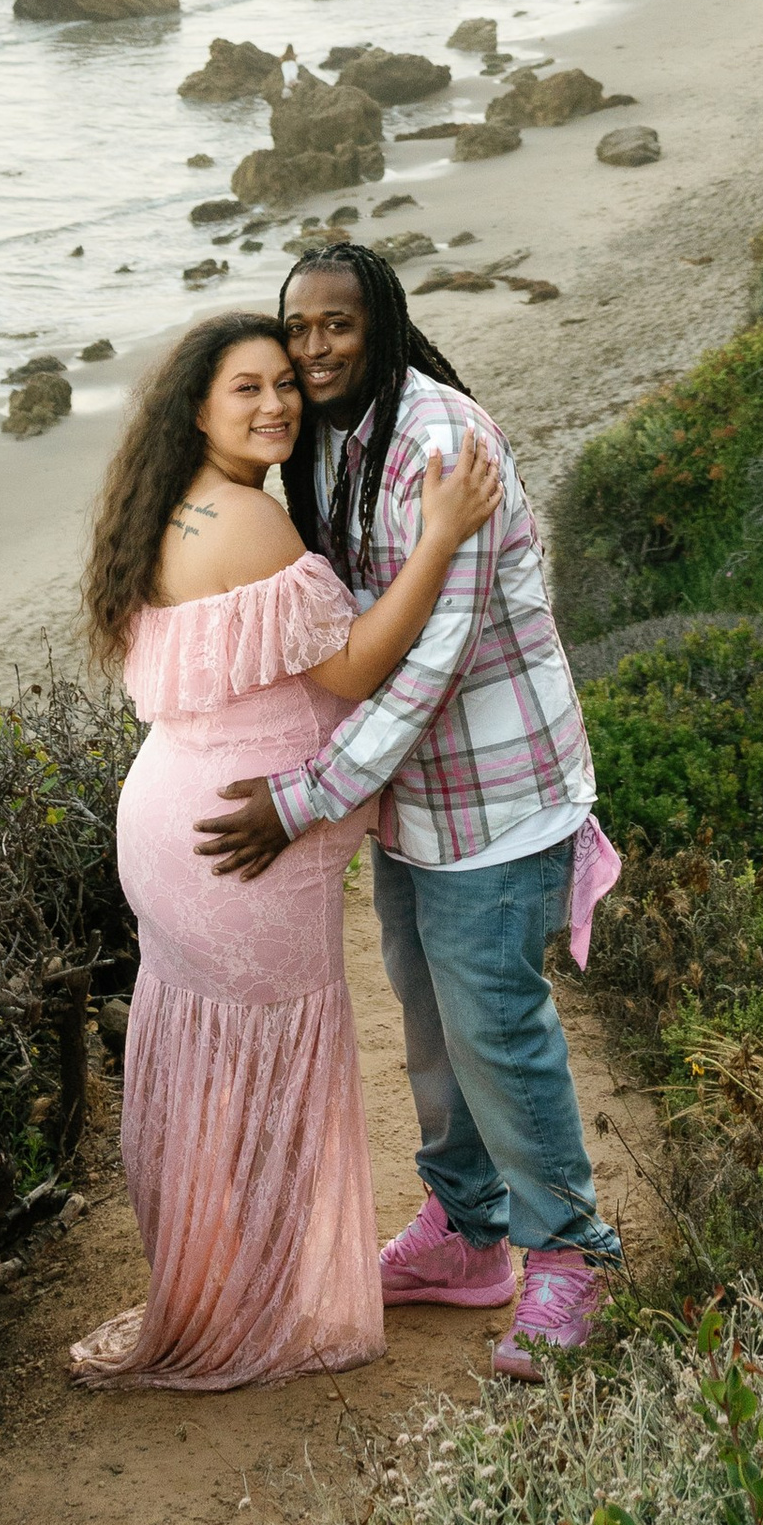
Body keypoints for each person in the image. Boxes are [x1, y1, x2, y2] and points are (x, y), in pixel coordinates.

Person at [194, 243, 624, 1380]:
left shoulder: (442, 443)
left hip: (498, 794)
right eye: (298, 327)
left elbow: (434, 661)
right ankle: (468, 1234)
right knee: (431, 1025)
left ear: (380, 323)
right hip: (412, 801)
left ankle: (569, 1257)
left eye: (337, 324)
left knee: (496, 1029)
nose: (314, 347)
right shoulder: (333, 439)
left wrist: (303, 799)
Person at [67, 306, 503, 1393]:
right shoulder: (250, 521)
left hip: (177, 822)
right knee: (262, 1079)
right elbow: (351, 667)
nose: (276, 406)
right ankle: (258, 1310)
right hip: (241, 846)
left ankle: (216, 1286)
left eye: (284, 385)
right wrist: (440, 535)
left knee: (209, 1071)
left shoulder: (170, 505)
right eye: (246, 389)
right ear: (197, 409)